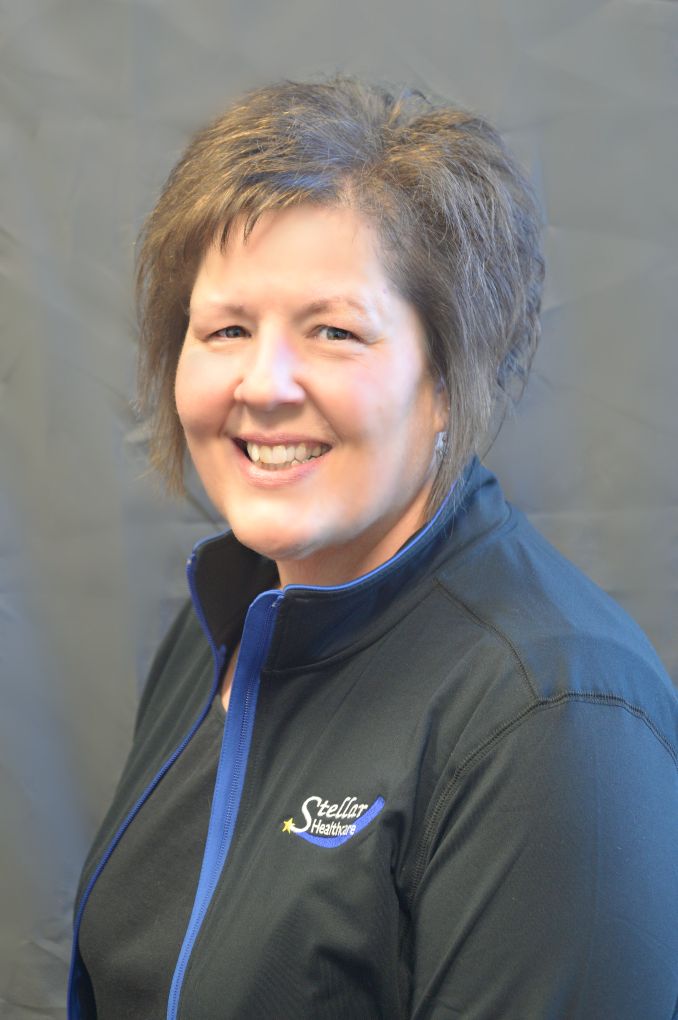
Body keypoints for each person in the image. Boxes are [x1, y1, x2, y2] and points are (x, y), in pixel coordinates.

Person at [68, 77, 678, 1019]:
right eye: (226, 328)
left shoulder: (553, 716)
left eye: (335, 332)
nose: (264, 384)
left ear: (447, 378)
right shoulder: (224, 625)